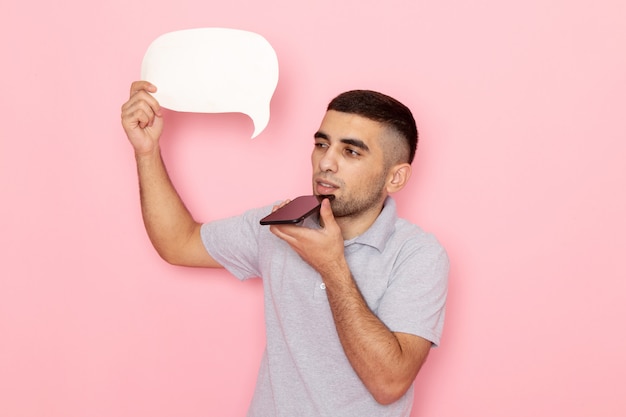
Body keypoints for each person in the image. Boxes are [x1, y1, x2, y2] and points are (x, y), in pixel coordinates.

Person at [121, 81, 449, 417]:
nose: (326, 163)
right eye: (322, 144)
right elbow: (180, 243)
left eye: (350, 152)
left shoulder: (418, 255)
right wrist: (146, 151)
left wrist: (332, 266)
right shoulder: (281, 224)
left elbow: (389, 384)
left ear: (395, 178)